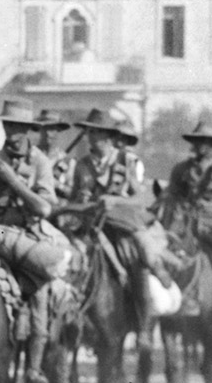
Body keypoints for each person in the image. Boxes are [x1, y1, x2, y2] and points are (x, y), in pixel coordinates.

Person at [0, 100, 74, 383]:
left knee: (40, 294)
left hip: (27, 238)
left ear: (28, 130)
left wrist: (12, 181)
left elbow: (43, 207)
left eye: (18, 127)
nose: (12, 132)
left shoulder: (40, 162)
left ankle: (34, 370)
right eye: (8, 125)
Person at [63, 108, 169, 273]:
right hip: (89, 226)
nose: (91, 136)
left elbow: (142, 198)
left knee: (145, 258)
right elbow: (72, 199)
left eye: (97, 132)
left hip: (122, 226)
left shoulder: (125, 161)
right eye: (90, 131)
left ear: (107, 135)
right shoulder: (81, 165)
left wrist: (116, 201)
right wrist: (78, 202)